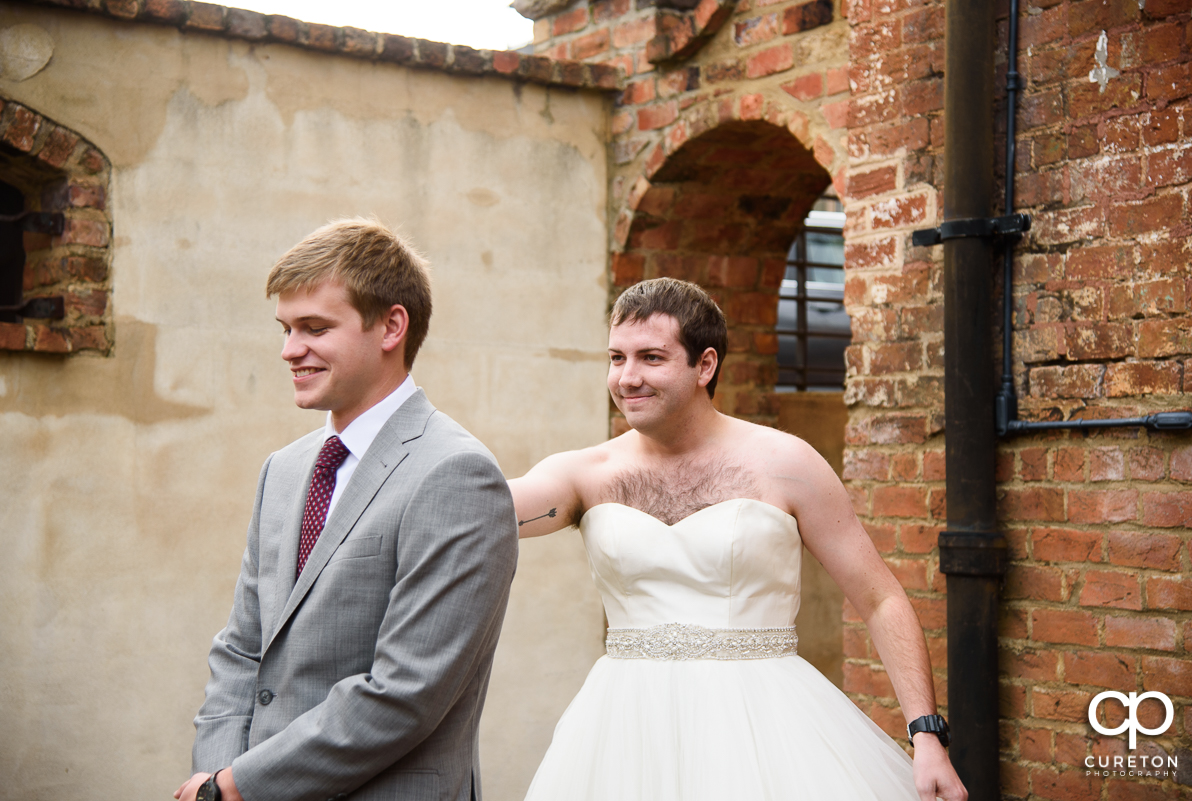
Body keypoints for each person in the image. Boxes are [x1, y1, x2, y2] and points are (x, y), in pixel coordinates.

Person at [509, 277, 967, 801]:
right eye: (617, 358)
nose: (627, 378)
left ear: (705, 365)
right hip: (623, 732)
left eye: (651, 358)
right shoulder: (584, 474)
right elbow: (481, 507)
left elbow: (880, 597)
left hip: (769, 729)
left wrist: (927, 735)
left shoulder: (787, 463)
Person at [176, 219, 518, 801]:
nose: (289, 350)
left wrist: (238, 787)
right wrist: (215, 775)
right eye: (285, 329)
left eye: (314, 328)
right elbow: (241, 647)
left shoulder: (456, 474)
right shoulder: (282, 470)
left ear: (390, 326)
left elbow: (406, 692)